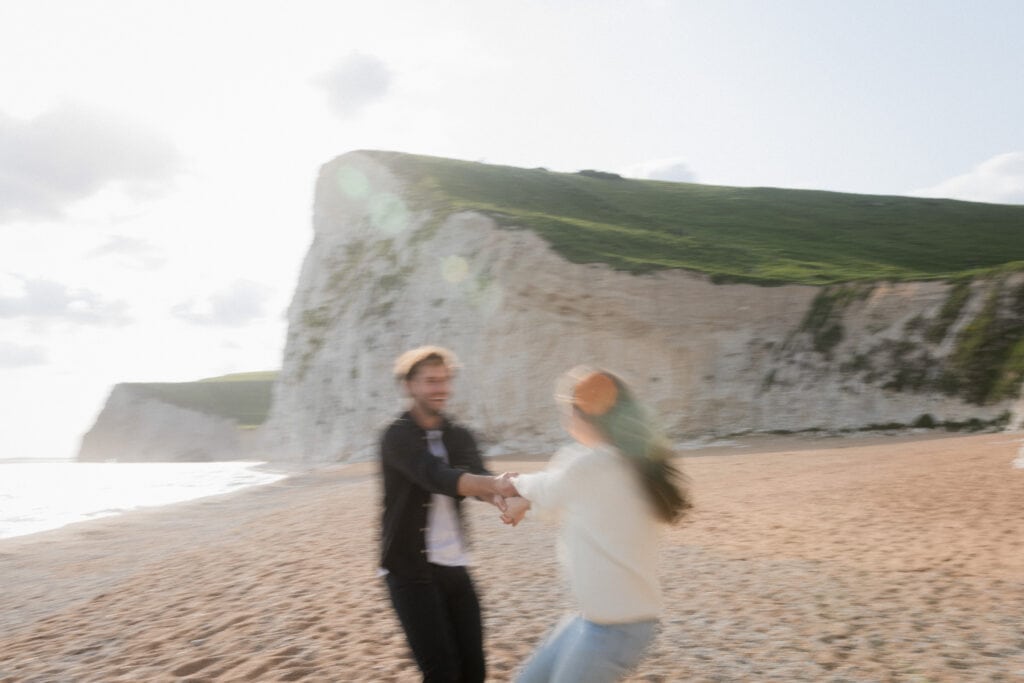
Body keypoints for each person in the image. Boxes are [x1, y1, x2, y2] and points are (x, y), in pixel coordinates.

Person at [499, 366, 691, 683]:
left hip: (615, 628)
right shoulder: (628, 462)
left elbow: (547, 490)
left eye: (568, 407)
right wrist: (525, 504)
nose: (565, 415)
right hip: (594, 619)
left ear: (583, 413)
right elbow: (559, 503)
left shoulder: (593, 464)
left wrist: (504, 484)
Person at [379, 345, 516, 683]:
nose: (440, 388)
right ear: (410, 385)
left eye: (444, 380)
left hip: (455, 565)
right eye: (431, 381)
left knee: (474, 672)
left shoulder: (459, 435)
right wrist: (493, 485)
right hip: (410, 572)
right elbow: (435, 476)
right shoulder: (396, 436)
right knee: (442, 673)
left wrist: (502, 497)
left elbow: (478, 476)